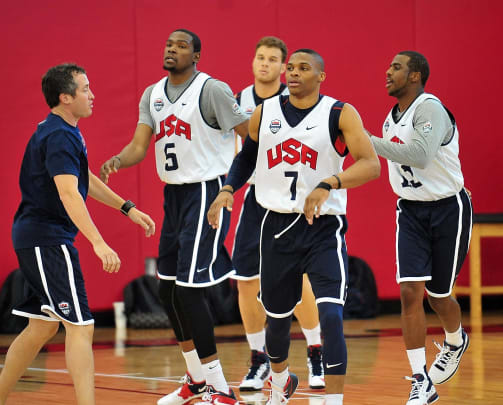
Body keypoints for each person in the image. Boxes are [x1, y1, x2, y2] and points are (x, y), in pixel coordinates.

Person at [206, 49, 380, 405]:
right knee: (278, 319)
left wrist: (330, 182)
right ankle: (280, 383)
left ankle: (334, 400)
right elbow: (247, 157)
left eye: (305, 68)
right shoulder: (265, 112)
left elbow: (371, 164)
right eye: (292, 68)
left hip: (322, 227)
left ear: (321, 76)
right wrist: (227, 189)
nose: (294, 73)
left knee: (331, 314)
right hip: (276, 225)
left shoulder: (339, 113)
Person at [0, 63, 156, 405]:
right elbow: (69, 193)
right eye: (85, 88)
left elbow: (83, 180)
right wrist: (98, 242)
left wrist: (127, 208)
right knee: (80, 326)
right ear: (65, 97)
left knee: (42, 327)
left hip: (37, 239)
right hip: (47, 240)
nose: (93, 95)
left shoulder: (63, 130)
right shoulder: (59, 135)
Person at [99, 29, 248, 405]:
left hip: (205, 191)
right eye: (168, 44)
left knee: (188, 289)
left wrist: (230, 187)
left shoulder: (212, 90)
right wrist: (117, 160)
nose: (172, 50)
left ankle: (221, 388)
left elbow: (250, 135)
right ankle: (197, 381)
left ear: (196, 54)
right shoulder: (152, 94)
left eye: (181, 46)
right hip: (175, 195)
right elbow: (139, 146)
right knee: (166, 289)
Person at [367, 51, 471, 405]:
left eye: (396, 66)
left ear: (415, 76)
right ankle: (420, 381)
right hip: (410, 212)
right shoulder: (391, 118)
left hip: (448, 208)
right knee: (410, 291)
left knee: (438, 295)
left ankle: (456, 340)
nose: (387, 70)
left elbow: (420, 155)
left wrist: (365, 142)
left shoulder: (430, 108)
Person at [231, 36, 325, 392]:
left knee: (296, 281)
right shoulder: (238, 101)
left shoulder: (297, 102)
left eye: (272, 59)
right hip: (256, 197)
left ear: (284, 68)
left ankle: (316, 349)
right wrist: (226, 188)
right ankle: (259, 361)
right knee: (246, 281)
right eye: (259, 57)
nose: (265, 64)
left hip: (292, 201)